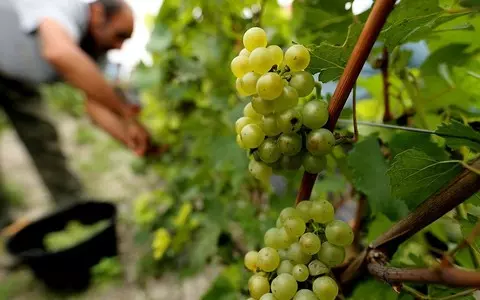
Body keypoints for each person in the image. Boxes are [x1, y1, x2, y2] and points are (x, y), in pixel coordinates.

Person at [0, 0, 150, 229]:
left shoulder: (94, 46)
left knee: (42, 135)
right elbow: (58, 52)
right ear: (98, 13)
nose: (120, 47)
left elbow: (95, 104)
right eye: (120, 35)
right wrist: (124, 112)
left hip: (17, 77)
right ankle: (5, 227)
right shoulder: (60, 6)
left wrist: (135, 139)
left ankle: (74, 210)